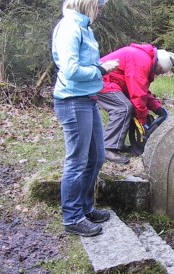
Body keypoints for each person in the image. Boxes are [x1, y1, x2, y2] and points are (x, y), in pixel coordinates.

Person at [52, 0, 118, 237]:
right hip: (72, 101)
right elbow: (70, 69)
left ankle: (86, 208)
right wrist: (100, 70)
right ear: (88, 4)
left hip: (87, 99)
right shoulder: (70, 27)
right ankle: (72, 218)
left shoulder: (84, 27)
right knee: (77, 162)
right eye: (99, 7)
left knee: (97, 157)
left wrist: (100, 66)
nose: (100, 11)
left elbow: (85, 62)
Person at [97, 43, 174, 164]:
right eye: (160, 71)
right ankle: (107, 148)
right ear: (159, 64)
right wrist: (143, 121)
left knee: (127, 107)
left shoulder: (145, 59)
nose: (158, 74)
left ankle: (115, 143)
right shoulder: (141, 61)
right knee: (123, 107)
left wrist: (158, 108)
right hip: (101, 80)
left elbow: (142, 91)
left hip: (111, 82)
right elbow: (137, 95)